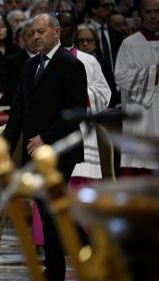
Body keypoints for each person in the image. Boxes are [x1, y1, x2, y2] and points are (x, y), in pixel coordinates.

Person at [3, 13, 87, 281]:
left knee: (53, 210)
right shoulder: (29, 66)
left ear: (57, 32)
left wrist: (45, 138)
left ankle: (61, 273)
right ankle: (61, 273)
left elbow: (76, 112)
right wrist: (5, 148)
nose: (36, 36)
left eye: (41, 31)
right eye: (33, 32)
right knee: (51, 210)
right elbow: (18, 109)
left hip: (61, 151)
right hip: (32, 150)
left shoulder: (71, 65)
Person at [57, 10, 111, 186]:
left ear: (75, 29)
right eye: (59, 25)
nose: (62, 30)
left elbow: (104, 93)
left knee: (81, 186)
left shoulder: (89, 61)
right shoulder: (43, 60)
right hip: (53, 130)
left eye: (67, 25)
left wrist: (82, 95)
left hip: (83, 130)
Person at [114, 0, 159, 175]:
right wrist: (154, 73)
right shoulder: (129, 44)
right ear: (141, 14)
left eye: (158, 11)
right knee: (143, 171)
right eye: (149, 12)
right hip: (143, 115)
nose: (154, 16)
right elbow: (121, 78)